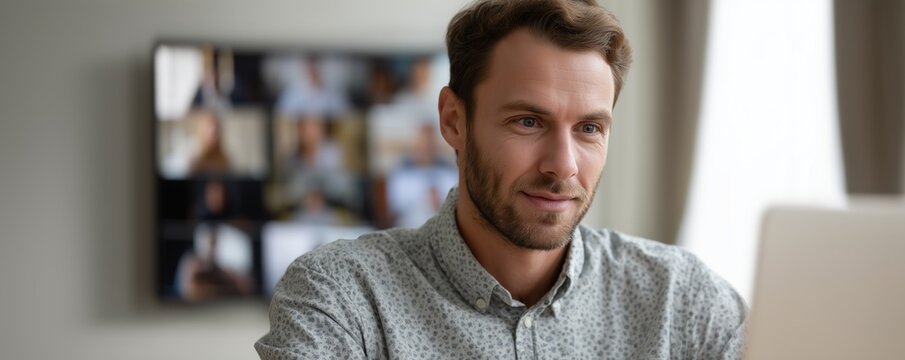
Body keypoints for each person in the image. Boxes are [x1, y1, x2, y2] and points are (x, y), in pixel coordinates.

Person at [256, 0, 747, 358]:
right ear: (453, 120)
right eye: (528, 122)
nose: (563, 166)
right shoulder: (341, 296)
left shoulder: (683, 300)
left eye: (589, 128)